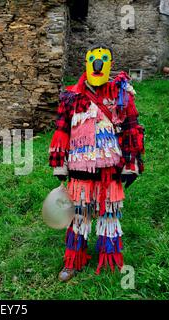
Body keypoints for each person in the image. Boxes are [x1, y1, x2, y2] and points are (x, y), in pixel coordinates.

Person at [48, 44, 145, 282]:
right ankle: (73, 261)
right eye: (93, 59)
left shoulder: (121, 94)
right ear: (86, 63)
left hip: (110, 169)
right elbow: (61, 131)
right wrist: (60, 164)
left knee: (110, 215)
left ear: (109, 63)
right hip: (81, 169)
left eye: (103, 59)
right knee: (79, 216)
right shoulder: (71, 97)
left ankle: (109, 258)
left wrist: (131, 162)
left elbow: (132, 127)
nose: (98, 64)